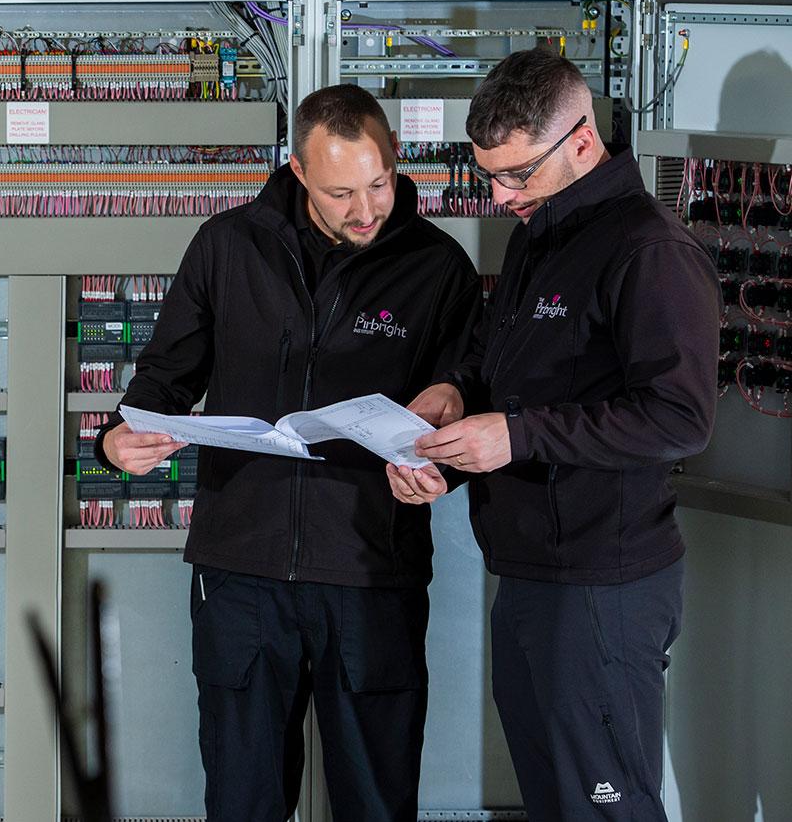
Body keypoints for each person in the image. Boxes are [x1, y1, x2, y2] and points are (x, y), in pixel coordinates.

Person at [96, 85, 481, 821]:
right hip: (242, 572)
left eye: (379, 183)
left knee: (376, 799)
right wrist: (117, 441)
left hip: (372, 570)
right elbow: (162, 378)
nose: (365, 209)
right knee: (244, 800)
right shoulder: (227, 246)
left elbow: (464, 395)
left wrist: (441, 461)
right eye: (341, 192)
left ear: (396, 156)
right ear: (298, 173)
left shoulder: (439, 268)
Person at [390, 49, 719, 821]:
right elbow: (508, 376)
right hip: (532, 575)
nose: (502, 197)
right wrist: (452, 412)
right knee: (555, 804)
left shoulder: (651, 251)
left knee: (603, 807)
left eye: (518, 175)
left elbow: (680, 417)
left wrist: (516, 436)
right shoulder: (540, 233)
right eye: (490, 176)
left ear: (581, 139)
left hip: (603, 584)